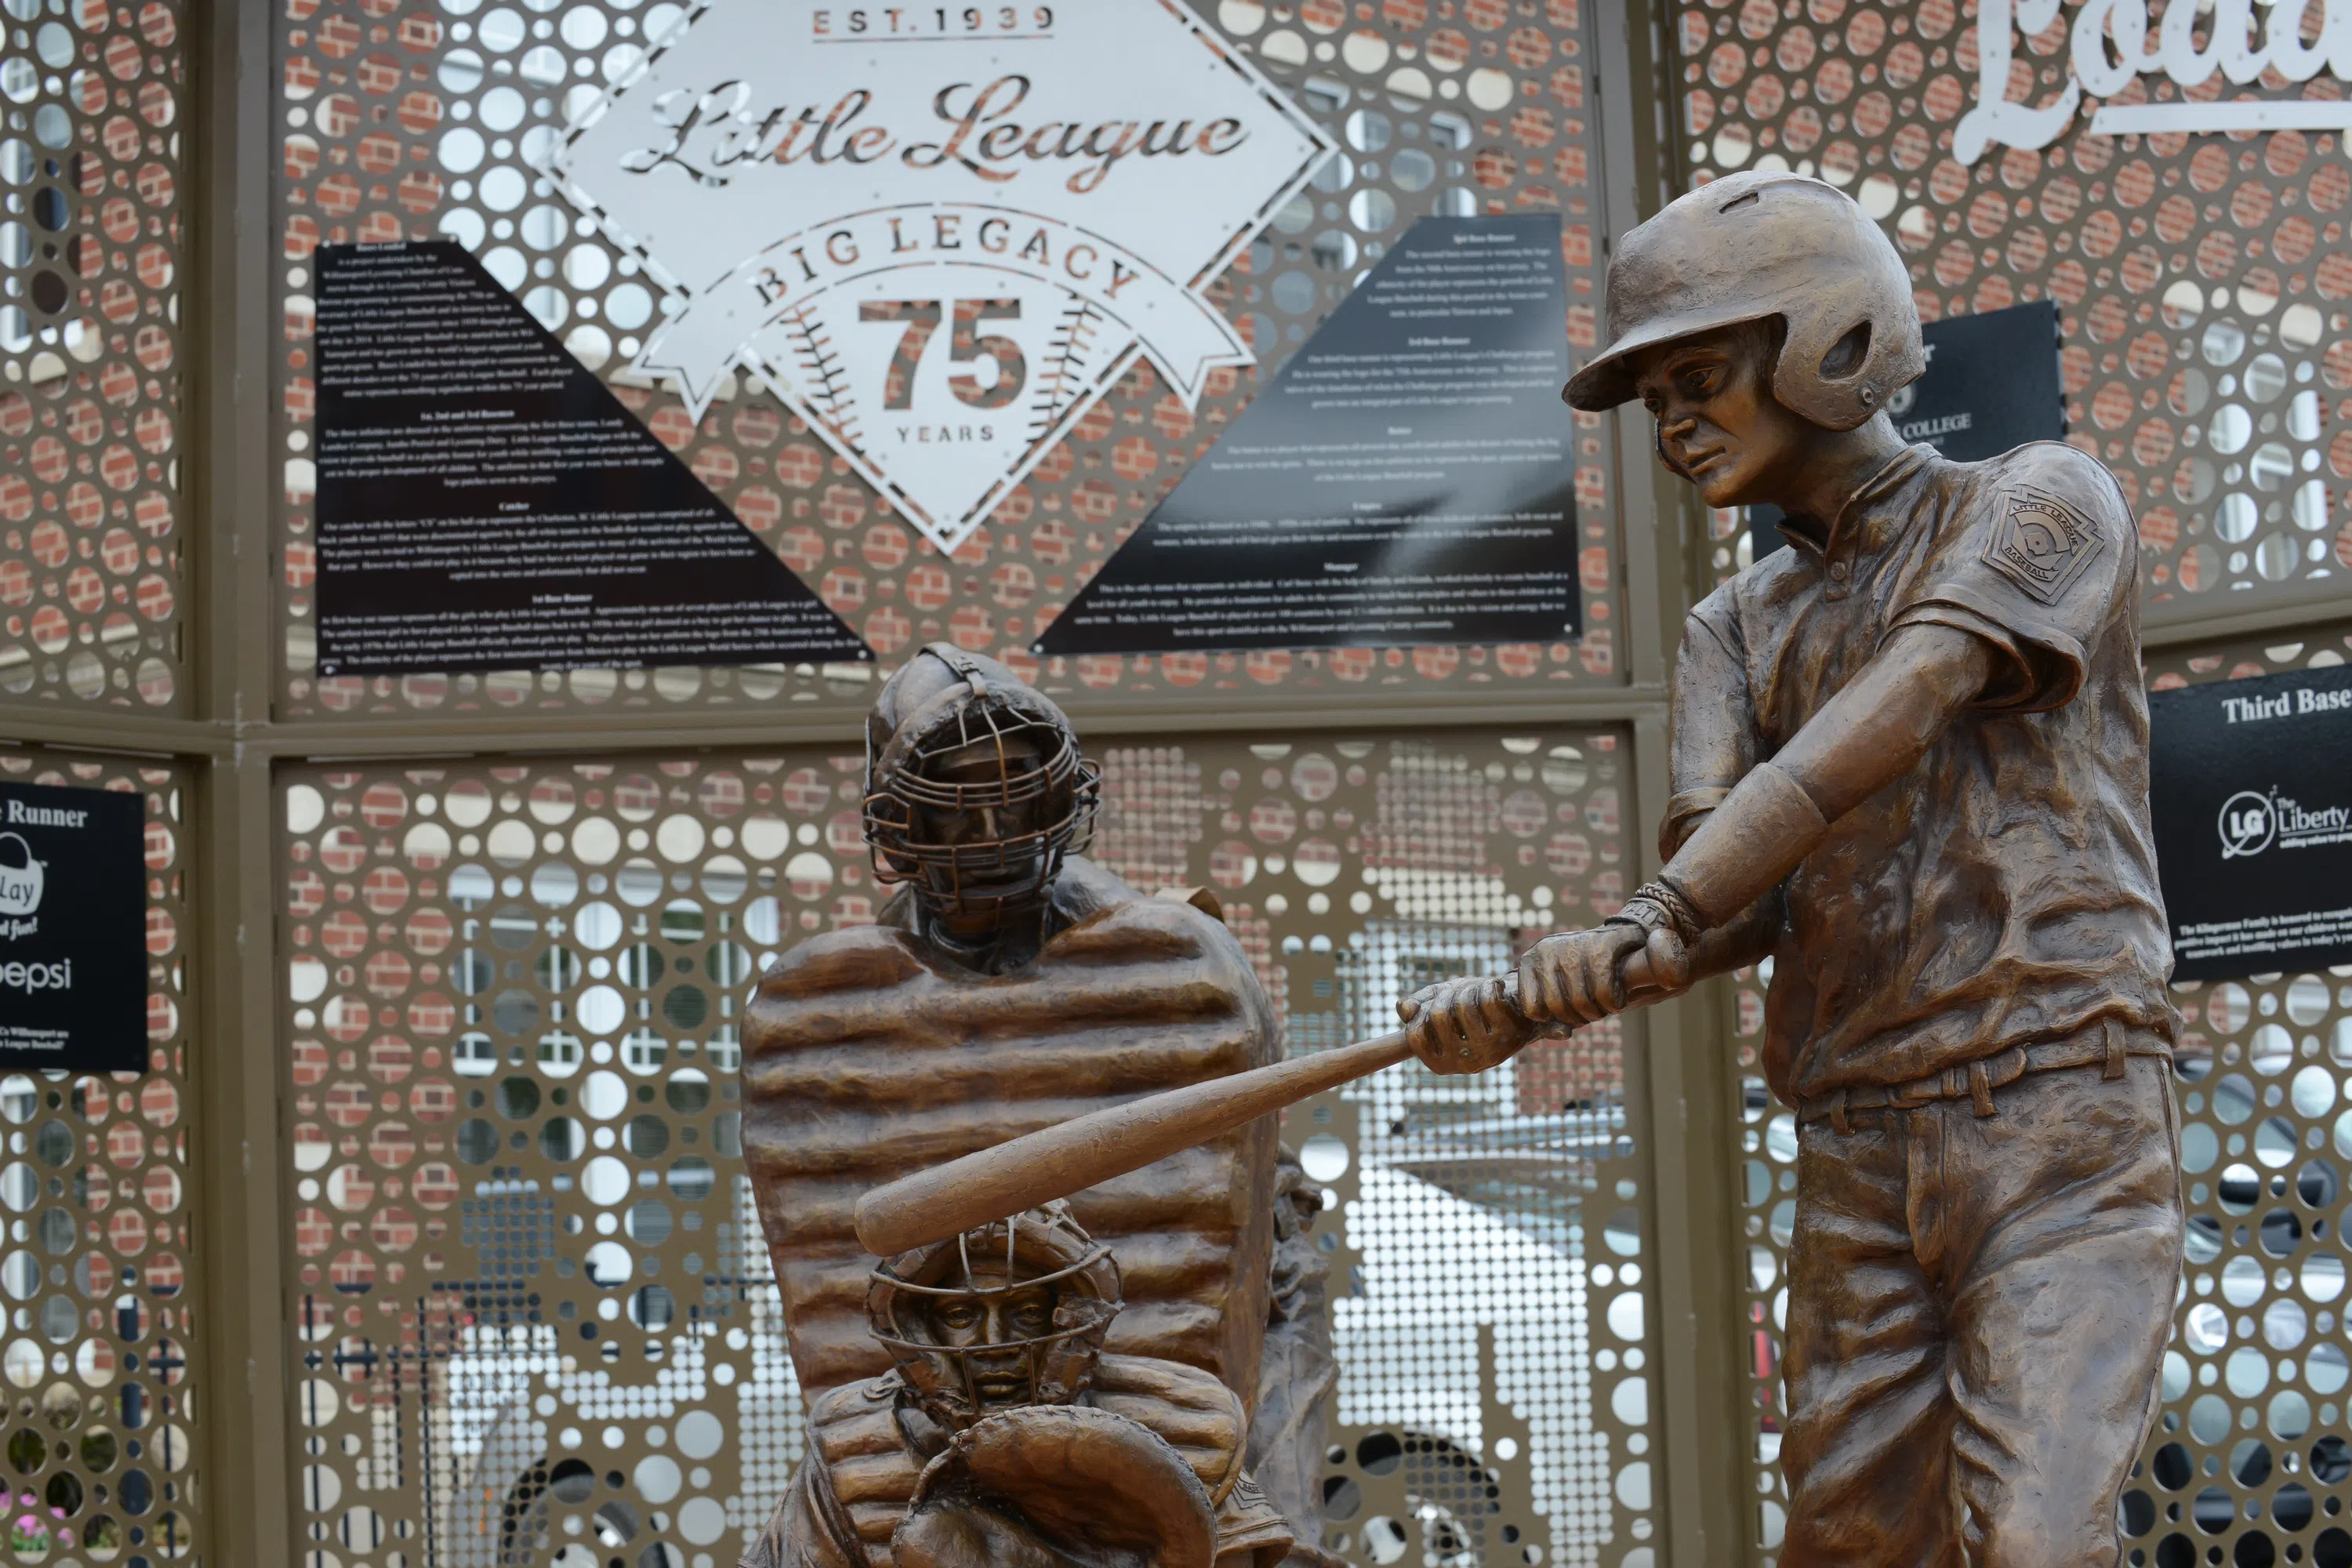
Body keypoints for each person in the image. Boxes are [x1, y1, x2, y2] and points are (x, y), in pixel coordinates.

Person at [1398, 170, 2181, 1567]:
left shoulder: (2043, 499)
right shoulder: (1731, 626)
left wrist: (1661, 908)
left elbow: (1902, 706)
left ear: (1833, 342)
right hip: (1859, 1149)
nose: (1676, 423)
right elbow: (1732, 893)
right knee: (1850, 1547)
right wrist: (1540, 994)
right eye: (1654, 403)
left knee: (2036, 1546)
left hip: (2060, 1118)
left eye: (1702, 376)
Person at [742, 644, 1334, 1559]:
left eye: (1019, 795)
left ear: (1064, 801)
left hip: (1160, 1425)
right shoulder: (828, 1006)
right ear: (902, 821)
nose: (994, 829)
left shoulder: (1172, 967)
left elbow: (1216, 1266)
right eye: (961, 801)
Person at [746, 1205, 1294, 1568]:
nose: (996, 1341)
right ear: (921, 1328)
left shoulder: (1177, 1419)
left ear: (1066, 1317)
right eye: (960, 1314)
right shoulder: (856, 1439)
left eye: (1027, 1312)